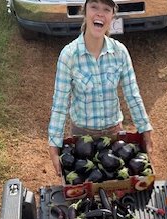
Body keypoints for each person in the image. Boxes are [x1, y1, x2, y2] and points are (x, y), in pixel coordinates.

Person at [48, 0, 153, 176]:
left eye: (106, 9)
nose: (100, 13)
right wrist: (54, 144)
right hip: (82, 137)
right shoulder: (69, 55)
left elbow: (132, 94)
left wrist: (145, 130)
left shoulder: (120, 52)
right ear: (85, 12)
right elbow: (60, 104)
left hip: (114, 135)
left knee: (115, 186)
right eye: (94, 7)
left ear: (112, 16)